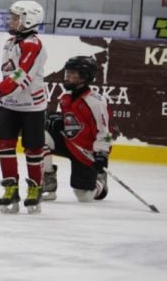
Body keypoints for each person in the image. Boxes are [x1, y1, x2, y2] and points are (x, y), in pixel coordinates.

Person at [0, 0, 48, 214]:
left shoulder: (33, 45)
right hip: (9, 104)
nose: (11, 21)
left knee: (33, 148)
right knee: (4, 144)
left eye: (16, 17)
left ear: (29, 20)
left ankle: (35, 189)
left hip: (32, 106)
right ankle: (10, 188)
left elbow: (20, 77)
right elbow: (9, 74)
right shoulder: (9, 42)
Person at [42, 55, 113, 202]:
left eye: (73, 73)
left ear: (85, 76)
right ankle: (48, 181)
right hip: (69, 143)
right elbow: (72, 121)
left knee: (84, 196)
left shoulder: (95, 102)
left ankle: (99, 182)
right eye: (67, 72)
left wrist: (102, 154)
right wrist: (59, 122)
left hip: (86, 152)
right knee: (39, 136)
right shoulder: (66, 97)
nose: (67, 76)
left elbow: (104, 132)